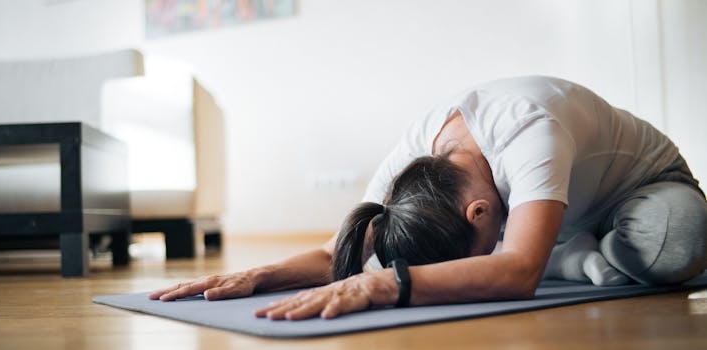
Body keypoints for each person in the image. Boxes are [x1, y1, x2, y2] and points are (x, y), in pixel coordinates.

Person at [149, 76, 707, 320]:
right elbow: (335, 252)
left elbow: (516, 274)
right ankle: (573, 251)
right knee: (532, 251)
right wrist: (259, 275)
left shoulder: (529, 131)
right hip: (559, 214)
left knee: (673, 244)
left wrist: (383, 282)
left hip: (642, 192)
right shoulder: (418, 153)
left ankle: (570, 250)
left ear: (480, 213)